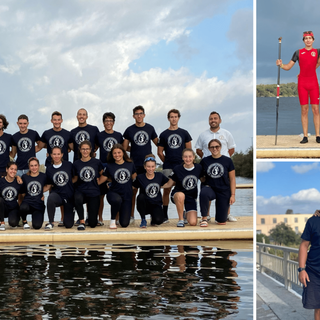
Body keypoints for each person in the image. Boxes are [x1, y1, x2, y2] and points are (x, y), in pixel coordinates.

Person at [276, 31, 320, 143]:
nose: (308, 40)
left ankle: (318, 136)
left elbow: (316, 64)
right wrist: (281, 65)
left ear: (313, 40)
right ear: (304, 40)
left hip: (314, 84)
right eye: (306, 38)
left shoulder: (318, 52)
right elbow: (288, 67)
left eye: (310, 38)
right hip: (302, 84)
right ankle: (305, 136)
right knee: (304, 110)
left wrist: (310, 70)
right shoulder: (298, 52)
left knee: (316, 110)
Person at [195, 111, 236, 222]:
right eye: (211, 119)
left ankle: (227, 214)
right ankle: (206, 216)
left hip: (223, 168)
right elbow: (198, 149)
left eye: (215, 118)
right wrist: (207, 159)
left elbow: (231, 148)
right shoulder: (203, 134)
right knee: (206, 190)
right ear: (209, 121)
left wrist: (222, 160)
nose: (213, 120)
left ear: (220, 120)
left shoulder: (226, 133)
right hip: (208, 168)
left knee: (221, 220)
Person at [123, 105, 158, 222]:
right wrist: (134, 149)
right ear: (134, 116)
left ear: (144, 115)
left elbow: (158, 143)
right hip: (134, 165)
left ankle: (152, 215)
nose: (139, 116)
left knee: (148, 190)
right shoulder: (129, 130)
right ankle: (132, 215)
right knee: (133, 191)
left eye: (141, 113)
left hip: (148, 165)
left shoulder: (150, 128)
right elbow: (124, 147)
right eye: (137, 114)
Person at [158, 109, 192, 222]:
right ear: (168, 118)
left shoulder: (184, 133)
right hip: (168, 166)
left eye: (176, 116)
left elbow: (189, 150)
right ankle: (164, 215)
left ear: (178, 118)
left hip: (182, 167)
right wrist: (167, 160)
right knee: (166, 190)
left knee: (184, 189)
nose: (173, 119)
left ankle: (184, 215)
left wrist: (185, 163)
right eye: (171, 117)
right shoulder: (163, 134)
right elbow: (159, 152)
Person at [99, 144, 137, 229]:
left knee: (124, 224)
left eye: (119, 152)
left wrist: (134, 187)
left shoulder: (130, 164)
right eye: (114, 153)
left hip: (127, 195)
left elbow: (135, 179)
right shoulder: (109, 166)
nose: (117, 155)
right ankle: (113, 220)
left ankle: (121, 214)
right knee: (117, 200)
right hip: (114, 193)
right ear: (112, 155)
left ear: (123, 153)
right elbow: (101, 180)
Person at [162, 148, 202, 227]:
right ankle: (181, 220)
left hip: (191, 197)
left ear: (194, 157)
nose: (188, 159)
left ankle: (185, 214)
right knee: (181, 195)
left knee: (193, 223)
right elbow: (169, 184)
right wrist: (156, 185)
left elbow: (204, 179)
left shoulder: (198, 168)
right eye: (185, 157)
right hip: (177, 195)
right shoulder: (177, 168)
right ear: (182, 158)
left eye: (190, 157)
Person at [199, 139, 236, 225]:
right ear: (209, 148)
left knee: (221, 222)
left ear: (220, 147)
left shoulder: (228, 160)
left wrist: (233, 195)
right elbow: (199, 173)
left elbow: (232, 179)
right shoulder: (205, 161)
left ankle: (220, 217)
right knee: (204, 192)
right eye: (212, 147)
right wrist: (202, 179)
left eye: (216, 146)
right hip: (210, 188)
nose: (214, 149)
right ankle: (204, 218)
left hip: (223, 190)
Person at [96, 112, 124, 225]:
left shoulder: (118, 135)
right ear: (103, 123)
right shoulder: (99, 135)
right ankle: (100, 218)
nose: (109, 123)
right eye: (106, 121)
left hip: (116, 167)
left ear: (113, 122)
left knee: (116, 193)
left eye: (111, 121)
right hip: (103, 166)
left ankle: (116, 219)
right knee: (101, 195)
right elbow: (94, 149)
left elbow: (123, 149)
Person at [73, 140, 103, 230]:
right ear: (80, 150)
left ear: (91, 150)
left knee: (92, 224)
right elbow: (74, 179)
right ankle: (81, 221)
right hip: (81, 191)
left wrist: (99, 181)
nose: (85, 151)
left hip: (94, 192)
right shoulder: (76, 163)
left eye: (87, 149)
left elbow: (103, 174)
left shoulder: (97, 162)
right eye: (83, 149)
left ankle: (91, 219)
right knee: (77, 197)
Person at [133, 154, 168, 228]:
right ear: (145, 167)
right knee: (140, 197)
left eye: (152, 166)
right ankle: (143, 219)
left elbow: (169, 183)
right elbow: (132, 186)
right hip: (145, 204)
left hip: (156, 204)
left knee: (159, 221)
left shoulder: (160, 176)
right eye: (148, 166)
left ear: (155, 166)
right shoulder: (140, 177)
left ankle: (153, 218)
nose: (150, 169)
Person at [45, 147, 76, 230]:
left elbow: (75, 178)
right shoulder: (49, 169)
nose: (56, 156)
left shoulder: (69, 165)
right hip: (58, 195)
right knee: (51, 198)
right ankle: (51, 222)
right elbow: (48, 185)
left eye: (58, 154)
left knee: (68, 225)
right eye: (54, 154)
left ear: (62, 155)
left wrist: (70, 185)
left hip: (69, 196)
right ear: (51, 155)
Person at [298, 214, 320, 319]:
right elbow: (304, 245)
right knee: (319, 308)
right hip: (314, 272)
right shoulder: (313, 221)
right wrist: (302, 269)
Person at [19, 157, 50, 230]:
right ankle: (25, 222)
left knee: (37, 226)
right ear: (29, 167)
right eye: (31, 166)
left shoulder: (43, 176)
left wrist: (40, 192)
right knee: (23, 207)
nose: (34, 168)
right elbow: (22, 192)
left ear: (38, 166)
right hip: (28, 203)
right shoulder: (25, 177)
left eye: (35, 165)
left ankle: (36, 217)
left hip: (38, 205)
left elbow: (49, 185)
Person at [0, 161, 22, 230]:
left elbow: (22, 196)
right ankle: (2, 222)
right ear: (7, 169)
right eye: (11, 169)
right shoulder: (1, 181)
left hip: (13, 208)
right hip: (3, 208)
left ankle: (14, 218)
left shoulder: (18, 182)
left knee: (13, 224)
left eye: (15, 169)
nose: (13, 171)